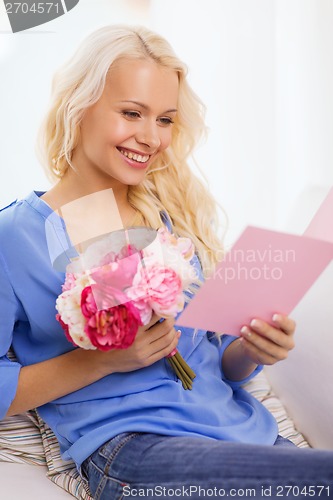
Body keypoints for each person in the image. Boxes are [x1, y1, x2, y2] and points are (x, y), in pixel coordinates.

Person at [0, 25, 332, 499]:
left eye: (165, 119)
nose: (151, 137)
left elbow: (214, 362)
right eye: (132, 113)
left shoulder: (166, 217)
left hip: (244, 435)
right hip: (135, 448)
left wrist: (253, 351)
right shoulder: (16, 236)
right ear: (79, 106)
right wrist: (101, 362)